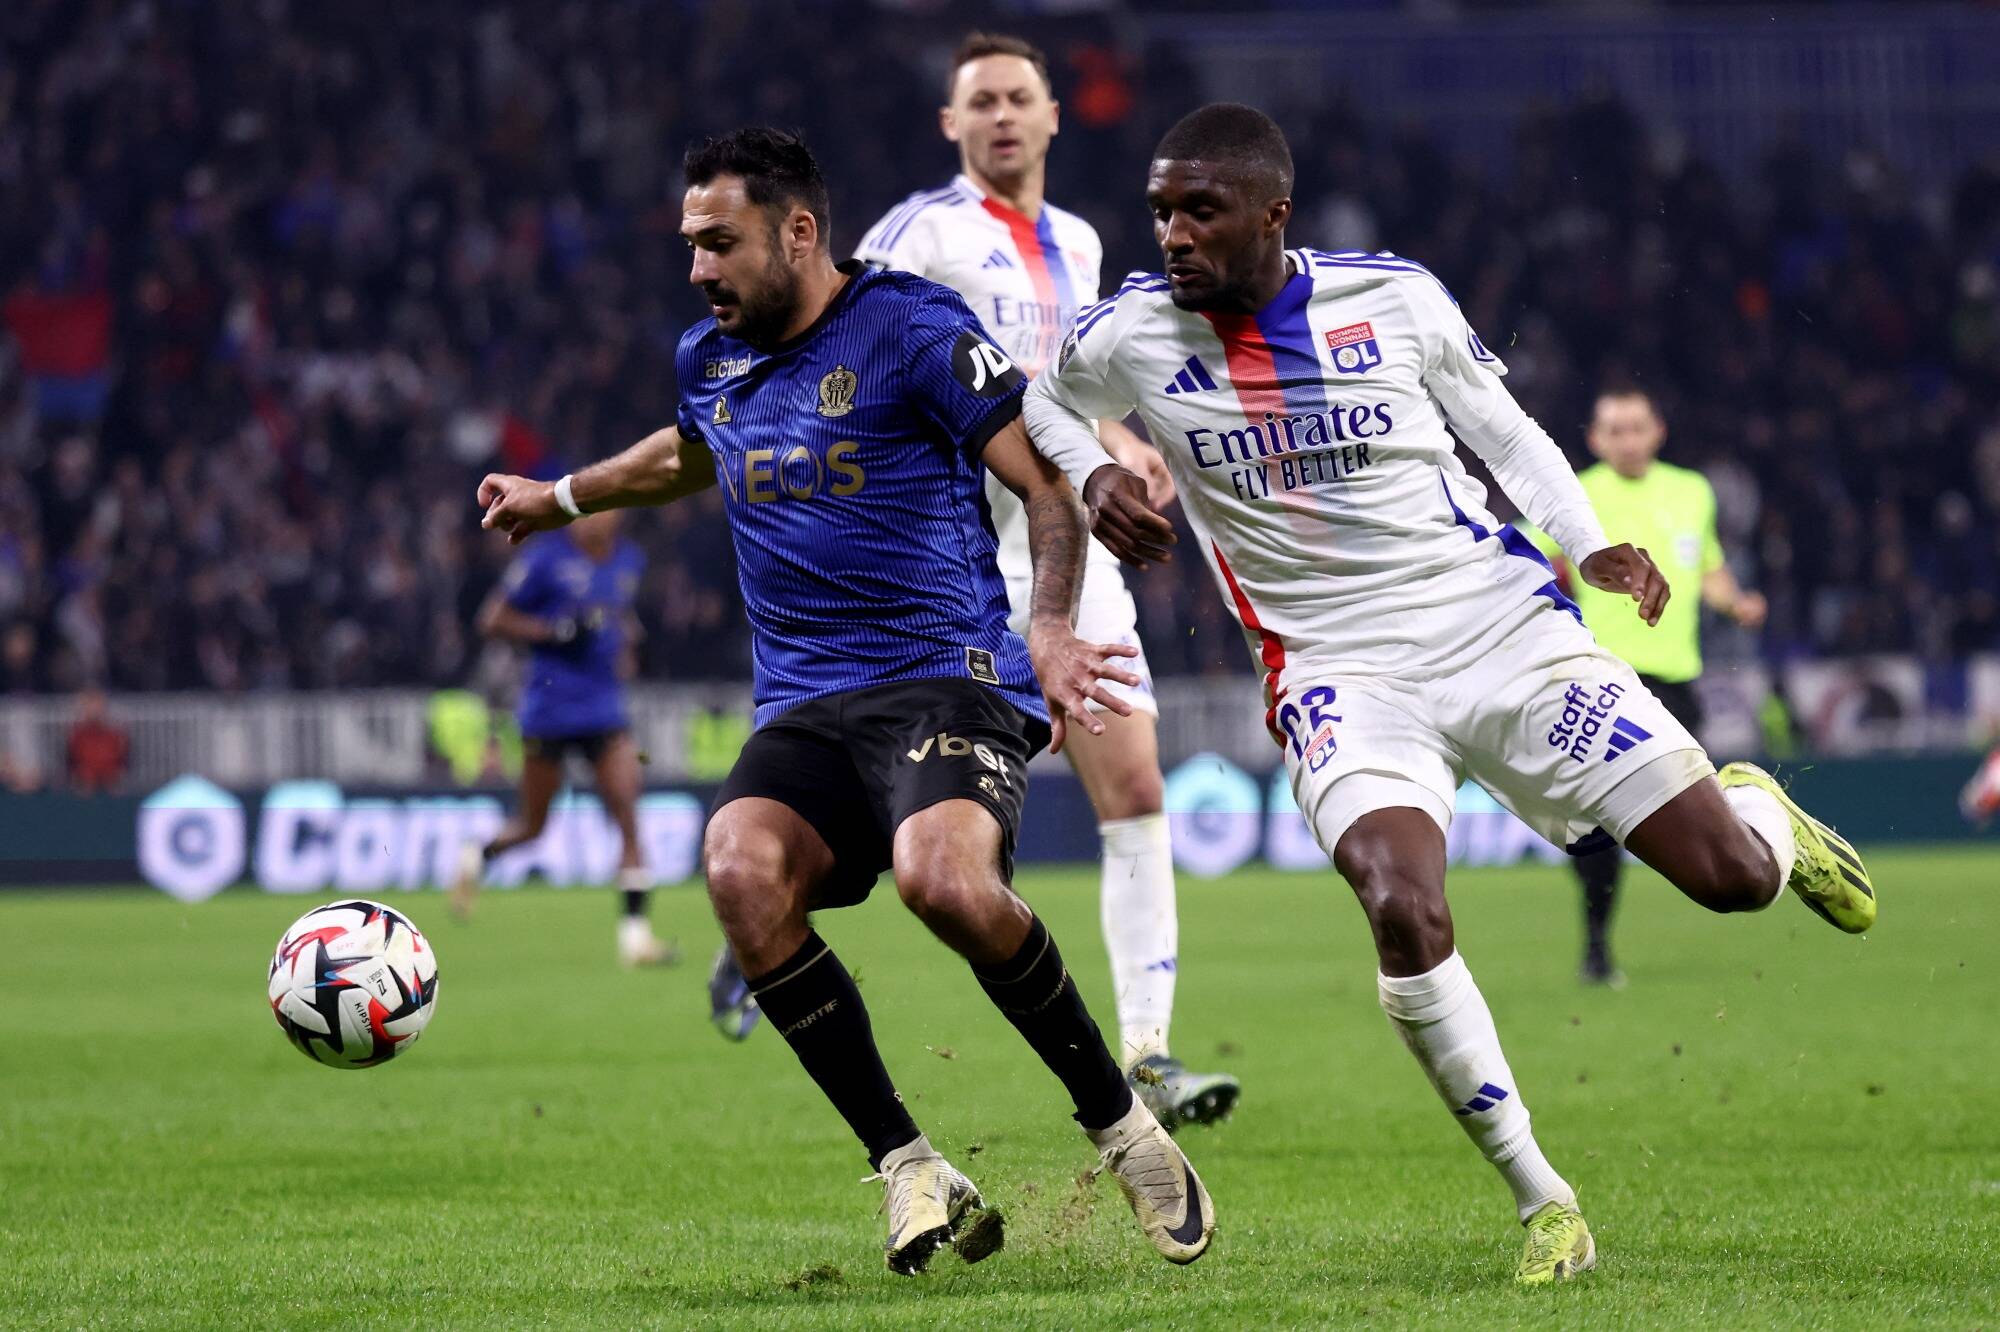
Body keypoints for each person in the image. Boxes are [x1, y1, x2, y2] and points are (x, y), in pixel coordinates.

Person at [1023, 103, 1877, 1286]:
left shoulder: (1393, 299)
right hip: (1334, 670)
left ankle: (1767, 824)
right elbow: (1039, 399)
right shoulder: (1129, 334)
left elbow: (1509, 437)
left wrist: (1586, 548)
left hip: (1500, 630)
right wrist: (1092, 468)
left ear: (1272, 213)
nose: (1171, 232)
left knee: (1728, 882)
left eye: (1199, 210)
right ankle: (1544, 1203)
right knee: (1397, 902)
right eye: (1160, 208)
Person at [477, 128, 1212, 1274]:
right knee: (735, 870)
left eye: (719, 244)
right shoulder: (708, 358)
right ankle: (910, 1166)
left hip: (947, 676)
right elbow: (690, 452)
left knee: (943, 881)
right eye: (688, 246)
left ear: (799, 232)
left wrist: (1053, 627)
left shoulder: (912, 327)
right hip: (806, 706)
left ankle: (1122, 1127)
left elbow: (1043, 481)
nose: (697, 269)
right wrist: (560, 496)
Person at [738, 28, 1230, 1128]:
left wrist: (1117, 439)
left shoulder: (1084, 241)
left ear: (1054, 117)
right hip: (947, 556)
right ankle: (764, 929)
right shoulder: (919, 232)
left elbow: (1070, 381)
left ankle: (1147, 1053)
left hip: (1066, 541)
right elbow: (842, 343)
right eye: (982, 102)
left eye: (1020, 98)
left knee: (1135, 790)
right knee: (913, 834)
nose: (1003, 116)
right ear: (950, 125)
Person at [1530, 387, 1768, 985]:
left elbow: (1707, 568)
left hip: (1676, 680)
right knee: (1598, 833)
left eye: (1636, 427)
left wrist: (1736, 603)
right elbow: (1521, 554)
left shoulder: (1692, 492)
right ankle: (1596, 943)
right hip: (1600, 680)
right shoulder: (1572, 494)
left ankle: (1748, 880)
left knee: (1692, 812)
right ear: (1595, 439)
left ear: (1657, 431)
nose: (1627, 440)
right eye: (1615, 430)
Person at [450, 509, 677, 968]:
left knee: (627, 812)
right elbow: (492, 619)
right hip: (549, 711)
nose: (591, 519)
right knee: (534, 827)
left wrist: (629, 645)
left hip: (604, 710)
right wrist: (552, 631)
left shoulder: (628, 560)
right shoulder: (544, 559)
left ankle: (636, 939)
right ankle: (479, 853)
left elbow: (618, 614)